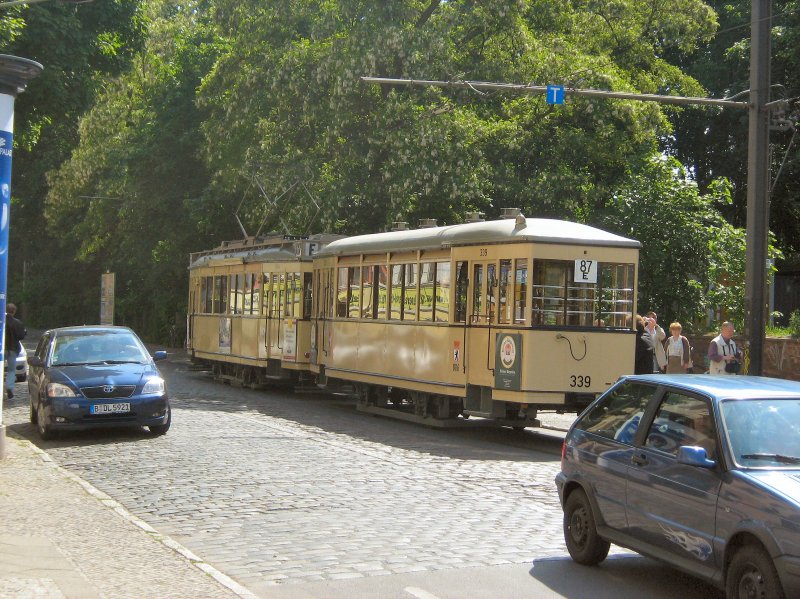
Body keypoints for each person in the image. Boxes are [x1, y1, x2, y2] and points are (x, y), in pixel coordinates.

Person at [5, 303, 26, 399]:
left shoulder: (2, 321)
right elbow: (21, 336)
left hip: (2, 348)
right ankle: (9, 387)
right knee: (11, 370)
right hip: (13, 349)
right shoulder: (17, 323)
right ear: (14, 311)